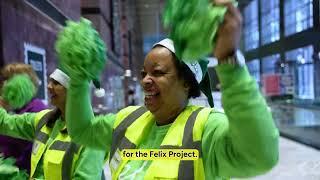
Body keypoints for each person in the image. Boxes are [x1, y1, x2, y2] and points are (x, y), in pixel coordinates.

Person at [66, 2, 279, 179]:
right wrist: (78, 78)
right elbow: (82, 130)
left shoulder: (206, 129)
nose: (145, 81)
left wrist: (228, 61)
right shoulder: (128, 120)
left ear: (186, 82)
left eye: (157, 73)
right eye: (143, 74)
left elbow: (259, 156)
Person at [0, 68, 106, 179]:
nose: (49, 86)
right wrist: (4, 100)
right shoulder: (44, 119)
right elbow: (5, 123)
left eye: (56, 83)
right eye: (50, 81)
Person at [0, 63, 47, 173]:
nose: (4, 84)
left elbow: (33, 153)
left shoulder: (36, 109)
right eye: (4, 79)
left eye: (9, 79)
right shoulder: (14, 109)